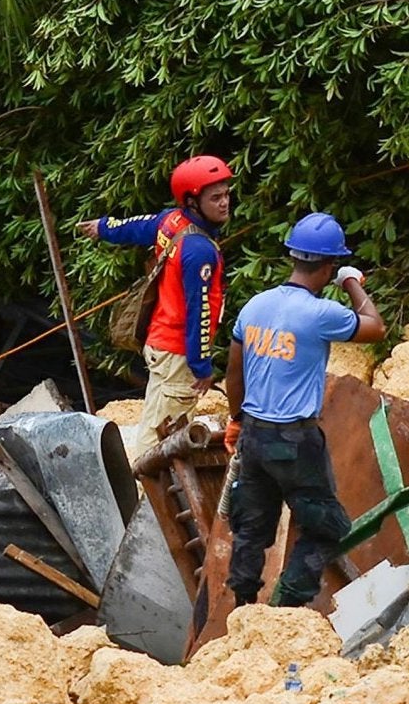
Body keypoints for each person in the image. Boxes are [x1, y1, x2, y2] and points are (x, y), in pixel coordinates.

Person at [222, 214, 386, 610]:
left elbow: (233, 371)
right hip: (295, 439)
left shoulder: (256, 306)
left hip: (255, 435)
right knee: (328, 526)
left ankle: (242, 607)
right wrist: (350, 282)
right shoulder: (320, 314)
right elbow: (375, 327)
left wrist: (236, 419)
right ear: (328, 266)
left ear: (294, 257)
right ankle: (288, 607)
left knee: (250, 528)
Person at [82, 155, 232, 456]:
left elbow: (133, 226)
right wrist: (201, 366)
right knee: (162, 442)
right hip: (177, 352)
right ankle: (147, 494)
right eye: (215, 197)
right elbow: (198, 312)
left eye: (227, 194)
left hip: (161, 342)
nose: (225, 202)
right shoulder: (199, 250)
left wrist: (103, 227)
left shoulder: (171, 221)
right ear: (192, 202)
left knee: (157, 420)